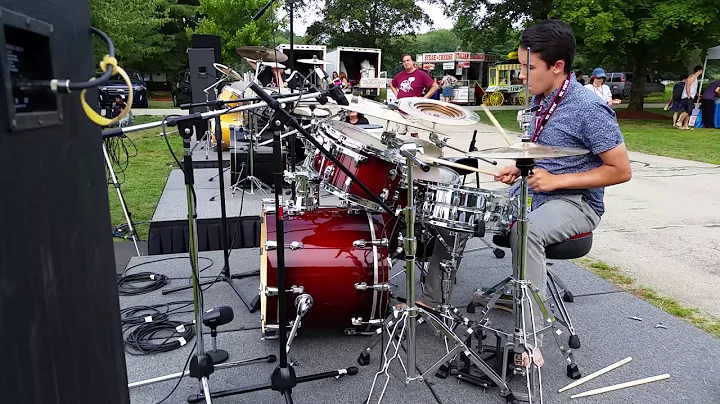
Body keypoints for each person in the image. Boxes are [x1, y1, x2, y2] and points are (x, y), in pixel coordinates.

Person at [494, 19, 631, 366]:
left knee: (528, 230)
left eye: (529, 68)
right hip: (535, 194)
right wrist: (519, 165)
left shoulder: (588, 107)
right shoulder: (541, 100)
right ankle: (431, 301)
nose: (522, 76)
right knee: (455, 207)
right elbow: (541, 149)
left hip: (577, 203)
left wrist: (557, 182)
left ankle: (530, 341)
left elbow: (620, 170)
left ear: (557, 67)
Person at [676, 65, 703, 130]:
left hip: (691, 96)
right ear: (699, 71)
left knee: (689, 111)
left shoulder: (695, 78)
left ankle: (685, 126)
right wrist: (688, 95)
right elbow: (688, 86)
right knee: (689, 110)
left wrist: (697, 95)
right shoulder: (692, 77)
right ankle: (679, 122)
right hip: (687, 97)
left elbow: (693, 88)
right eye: (701, 71)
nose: (702, 72)